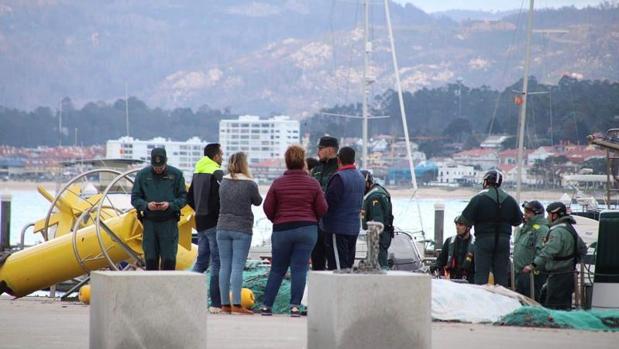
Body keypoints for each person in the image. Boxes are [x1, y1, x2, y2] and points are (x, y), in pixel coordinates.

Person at [260, 145, 328, 317]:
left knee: (277, 269)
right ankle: (295, 306)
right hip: (307, 229)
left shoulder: (278, 183)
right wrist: (312, 218)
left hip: (282, 230)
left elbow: (267, 207)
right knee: (300, 267)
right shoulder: (313, 183)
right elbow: (323, 208)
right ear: (303, 161)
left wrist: (277, 219)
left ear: (287, 162)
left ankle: (267, 305)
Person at [217, 152, 262, 315]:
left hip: (222, 227)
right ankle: (236, 304)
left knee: (224, 266)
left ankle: (224, 305)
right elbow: (258, 201)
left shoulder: (224, 181)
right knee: (237, 266)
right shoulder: (249, 183)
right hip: (242, 228)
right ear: (244, 164)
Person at [460, 169, 522, 286]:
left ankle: (482, 301)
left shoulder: (479, 197)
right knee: (501, 275)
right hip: (504, 240)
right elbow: (518, 221)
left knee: (481, 275)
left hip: (484, 239)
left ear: (486, 181)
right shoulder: (509, 199)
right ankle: (502, 300)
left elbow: (465, 220)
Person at [131, 147, 187, 270]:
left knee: (169, 259)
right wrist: (146, 205)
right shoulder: (142, 175)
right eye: (156, 167)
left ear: (166, 161)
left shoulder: (177, 175)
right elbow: (135, 198)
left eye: (161, 167)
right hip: (149, 222)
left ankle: (167, 287)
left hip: (169, 222)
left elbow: (184, 198)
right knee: (150, 258)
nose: (158, 170)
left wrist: (170, 205)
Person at [187, 143, 224, 313]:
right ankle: (216, 303)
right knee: (217, 263)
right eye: (221, 154)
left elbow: (189, 198)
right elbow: (220, 198)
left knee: (201, 261)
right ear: (215, 156)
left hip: (200, 222)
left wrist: (200, 211)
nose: (222, 157)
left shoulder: (198, 171)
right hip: (214, 222)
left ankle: (188, 297)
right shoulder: (216, 172)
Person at [524, 202, 578, 310]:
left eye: (549, 214)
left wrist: (533, 265)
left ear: (555, 215)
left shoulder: (558, 231)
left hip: (559, 274)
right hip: (567, 273)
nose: (547, 217)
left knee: (554, 306)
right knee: (562, 305)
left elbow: (548, 251)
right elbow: (581, 250)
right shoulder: (569, 228)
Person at [322, 146, 365, 270]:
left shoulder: (339, 177)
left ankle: (336, 289)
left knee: (337, 267)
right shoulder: (360, 177)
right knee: (347, 265)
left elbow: (328, 203)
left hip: (337, 228)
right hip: (353, 228)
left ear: (338, 159)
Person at [310, 136, 339, 270]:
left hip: (333, 223)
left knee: (334, 263)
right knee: (317, 261)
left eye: (320, 149)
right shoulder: (316, 169)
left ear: (329, 149)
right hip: (315, 223)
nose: (318, 152)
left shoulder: (340, 168)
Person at [513, 200, 548, 302]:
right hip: (520, 273)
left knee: (531, 301)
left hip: (532, 275)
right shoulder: (525, 229)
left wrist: (532, 266)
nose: (525, 215)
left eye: (528, 212)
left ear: (537, 214)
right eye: (525, 212)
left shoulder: (542, 229)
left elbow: (542, 251)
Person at [360, 170, 394, 268]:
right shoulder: (374, 193)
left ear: (367, 182)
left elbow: (377, 224)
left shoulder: (375, 197)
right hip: (381, 235)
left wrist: (373, 238)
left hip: (379, 237)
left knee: (380, 265)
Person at [431, 216, 475, 283]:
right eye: (456, 224)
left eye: (460, 224)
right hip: (452, 281)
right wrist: (435, 266)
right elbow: (441, 260)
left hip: (471, 282)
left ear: (468, 227)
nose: (457, 227)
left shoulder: (476, 244)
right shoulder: (449, 241)